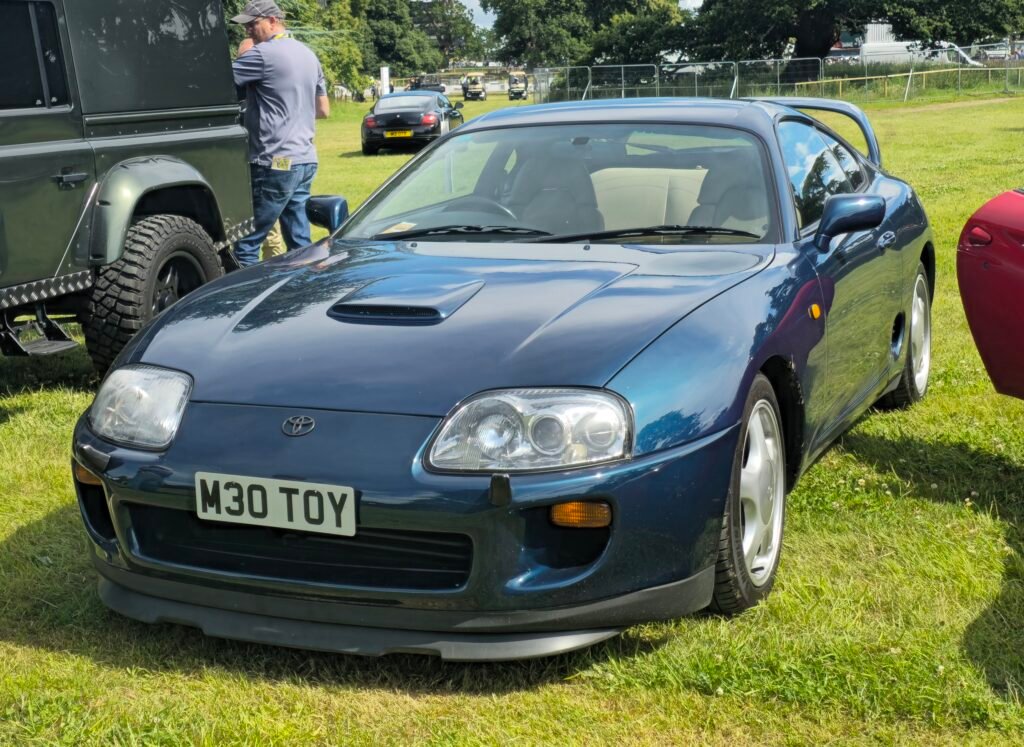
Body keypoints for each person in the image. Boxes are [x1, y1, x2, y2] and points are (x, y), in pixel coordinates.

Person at [230, 0, 330, 267]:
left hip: (275, 162)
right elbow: (323, 109)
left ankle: (247, 302)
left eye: (253, 24)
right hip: (305, 159)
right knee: (299, 242)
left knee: (246, 244)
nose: (249, 31)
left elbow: (217, 83)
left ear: (273, 21)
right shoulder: (309, 55)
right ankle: (303, 296)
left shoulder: (262, 54)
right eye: (246, 26)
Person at [237, 35, 286, 262]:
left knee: (269, 229)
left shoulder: (268, 91)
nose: (244, 66)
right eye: (241, 60)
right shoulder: (239, 93)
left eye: (247, 59)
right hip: (243, 169)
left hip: (269, 164)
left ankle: (270, 271)